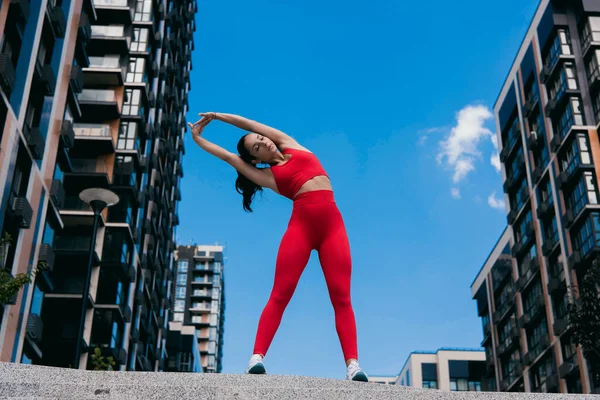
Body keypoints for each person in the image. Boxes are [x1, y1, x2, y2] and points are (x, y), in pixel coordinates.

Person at [188, 112, 368, 382]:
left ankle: (353, 365)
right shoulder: (268, 176)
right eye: (257, 147)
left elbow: (248, 124)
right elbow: (228, 157)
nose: (264, 142)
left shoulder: (289, 143)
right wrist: (198, 139)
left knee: (341, 298)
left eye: (261, 139)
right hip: (301, 231)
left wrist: (217, 117)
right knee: (280, 294)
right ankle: (256, 358)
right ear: (255, 160)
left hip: (333, 229)